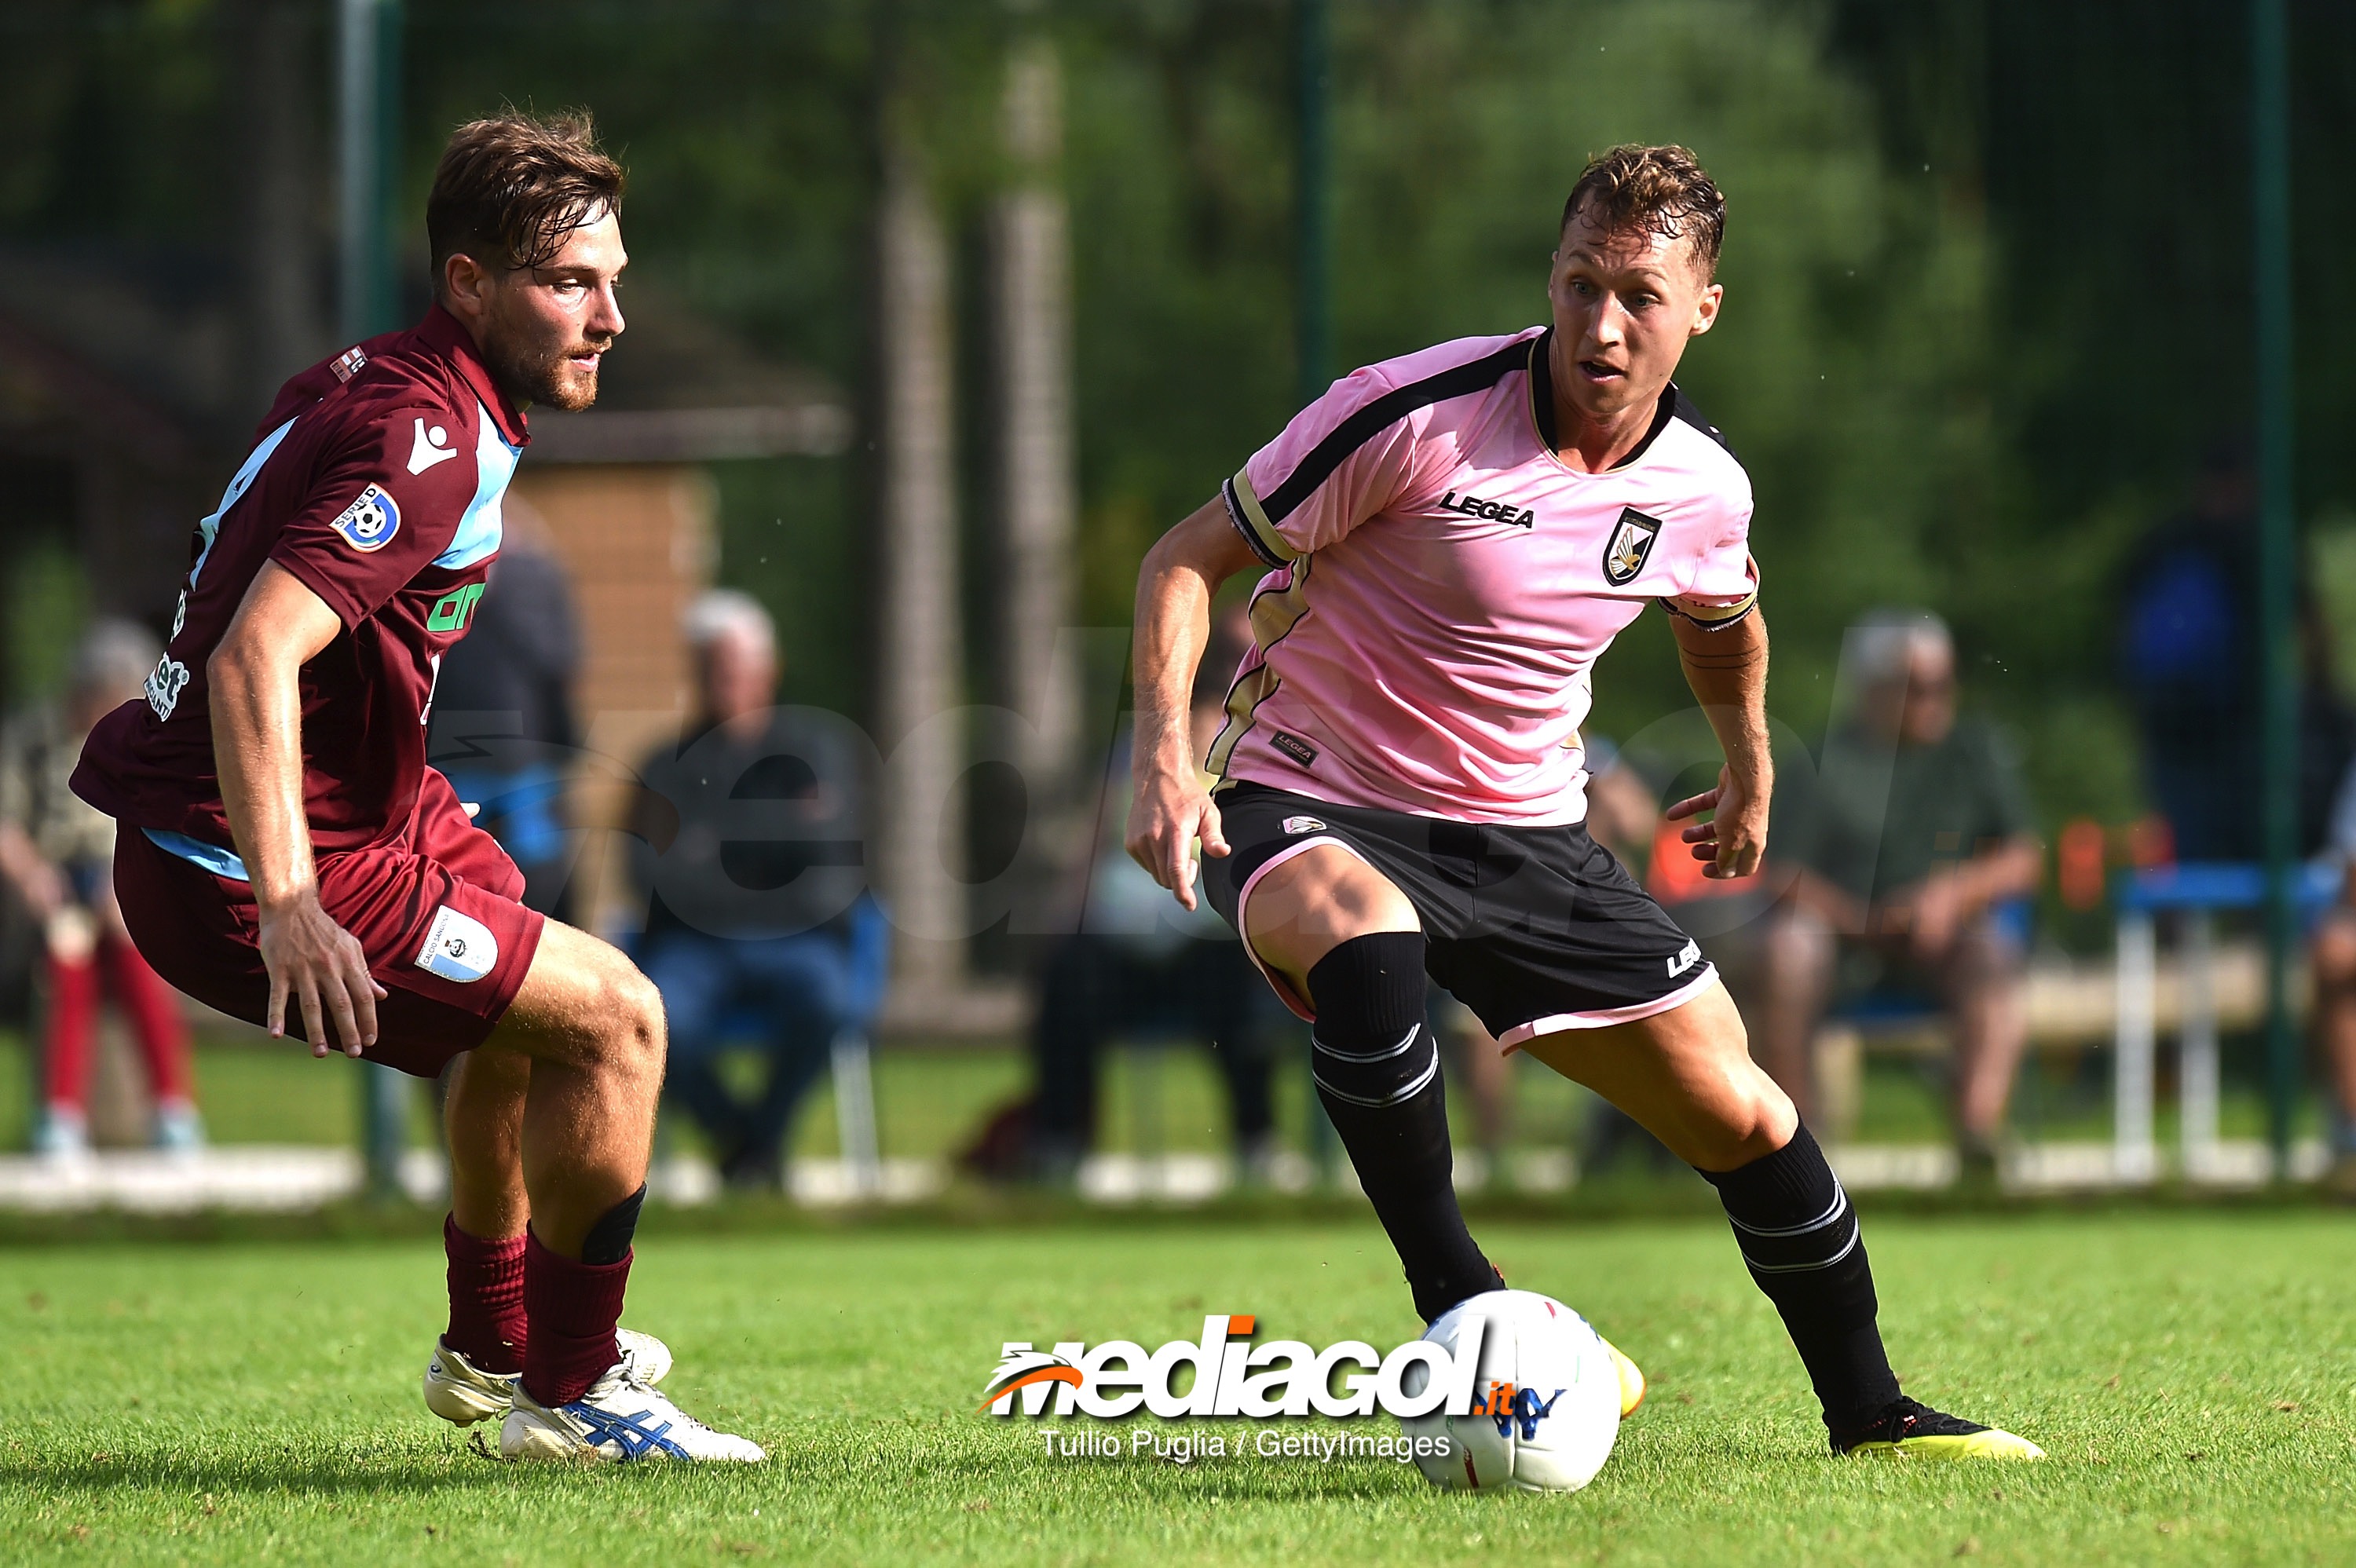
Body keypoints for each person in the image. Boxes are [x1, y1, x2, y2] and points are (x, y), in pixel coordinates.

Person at [1125, 144, 2041, 1460]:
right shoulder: (1412, 413)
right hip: (1312, 792)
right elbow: (1181, 558)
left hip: (1528, 832)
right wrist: (1165, 756)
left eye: (1640, 296)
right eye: (1579, 285)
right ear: (1549, 280)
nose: (1602, 325)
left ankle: (1874, 1414)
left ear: (1702, 310)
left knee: (1745, 1111)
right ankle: (1467, 1310)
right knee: (1365, 935)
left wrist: (1750, 765)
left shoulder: (1702, 486)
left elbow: (1724, 616)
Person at [68, 112, 760, 1462]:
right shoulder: (426, 441)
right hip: (247, 856)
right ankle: (573, 1395)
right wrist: (288, 902)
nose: (610, 315)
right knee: (619, 1021)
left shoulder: (393, 380)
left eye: (613, 278)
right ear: (469, 286)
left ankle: (493, 1341)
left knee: (521, 943)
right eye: (572, 282)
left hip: (341, 813)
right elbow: (254, 654)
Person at [1753, 612, 2042, 1175]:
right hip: (1840, 937)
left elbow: (2023, 857)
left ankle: (1977, 1137)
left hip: (1944, 937)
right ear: (1875, 690)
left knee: (1993, 951)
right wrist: (1860, 920)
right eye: (1919, 687)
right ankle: (1797, 1151)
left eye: (1943, 683)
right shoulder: (1823, 760)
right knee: (1787, 946)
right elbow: (1782, 874)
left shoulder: (1973, 751)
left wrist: (1951, 894)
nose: (1937, 699)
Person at [626, 590, 884, 1189]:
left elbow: (834, 867)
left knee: (827, 1002)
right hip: (696, 947)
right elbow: (649, 875)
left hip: (803, 941)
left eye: (736, 670)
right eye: (712, 671)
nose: (725, 685)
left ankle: (758, 1142)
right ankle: (746, 1142)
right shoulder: (665, 765)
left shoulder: (819, 751)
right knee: (656, 1023)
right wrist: (777, 844)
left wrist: (712, 849)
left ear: (769, 670)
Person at [1020, 604, 1280, 1180]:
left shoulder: (1263, 753)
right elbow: (1092, 849)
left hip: (1213, 941)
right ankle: (1059, 1143)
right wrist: (1068, 919)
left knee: (1236, 989)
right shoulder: (1139, 753)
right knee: (1068, 978)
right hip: (1124, 943)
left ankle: (1257, 1145)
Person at [1, 620, 201, 1156]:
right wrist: (35, 882)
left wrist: (125, 891)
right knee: (69, 967)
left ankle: (173, 1111)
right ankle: (60, 1117)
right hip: (51, 887)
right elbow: (7, 826)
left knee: (138, 962)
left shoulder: (146, 739)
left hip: (118, 883)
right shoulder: (34, 736)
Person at [426, 495, 584, 921]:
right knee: (521, 871)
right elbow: (561, 661)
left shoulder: (524, 577)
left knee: (473, 867)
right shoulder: (532, 574)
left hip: (488, 756)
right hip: (492, 756)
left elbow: (559, 660)